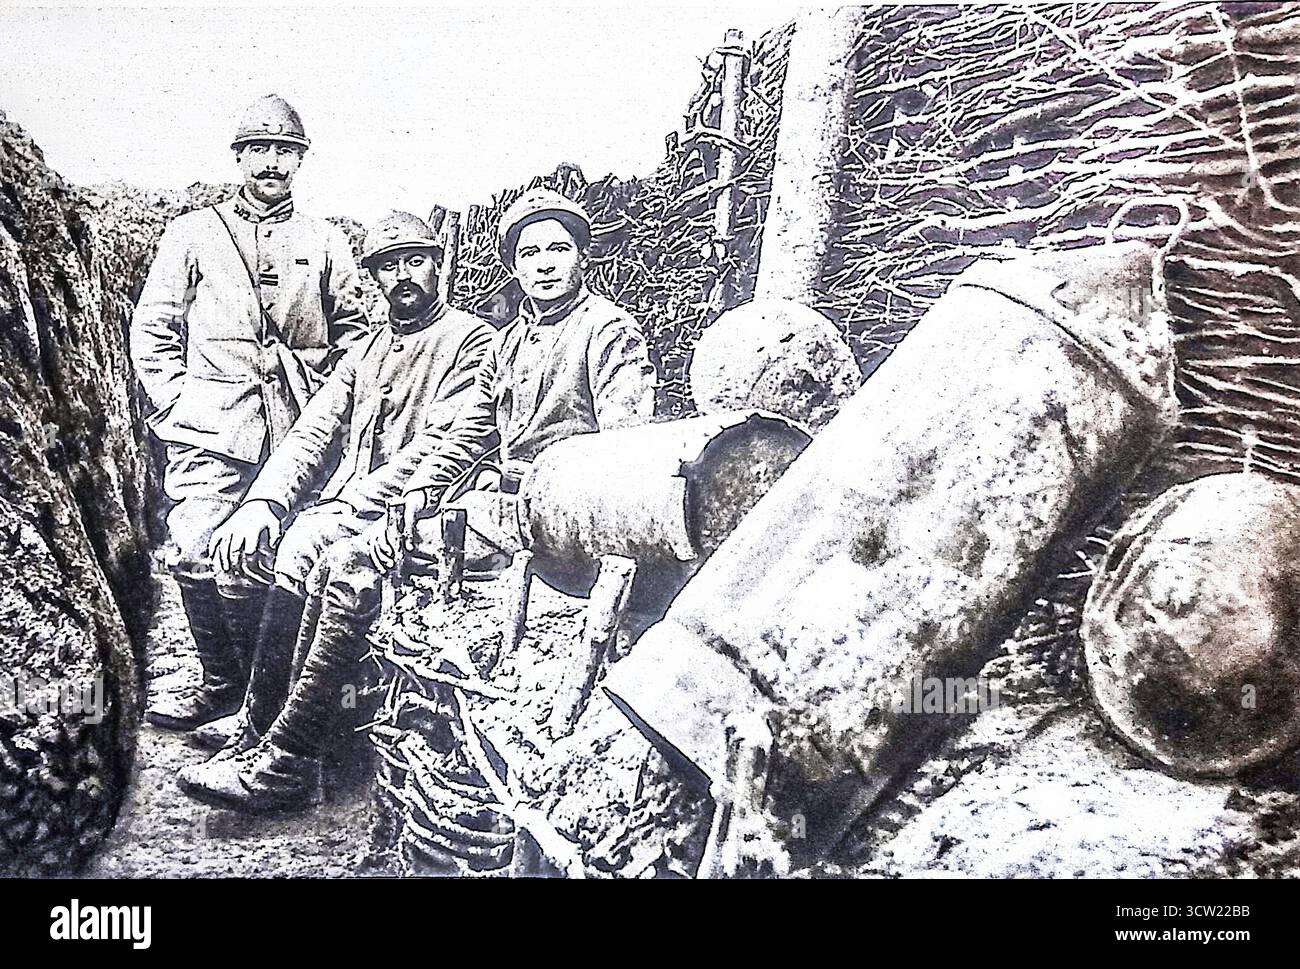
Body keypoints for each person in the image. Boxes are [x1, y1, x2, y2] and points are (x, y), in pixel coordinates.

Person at [177, 189, 656, 813]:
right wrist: (415, 497)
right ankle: (270, 741)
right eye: (529, 252)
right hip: (501, 510)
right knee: (329, 557)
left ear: (580, 255)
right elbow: (465, 433)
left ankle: (286, 759)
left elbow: (624, 448)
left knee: (344, 564)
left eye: (557, 249)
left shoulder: (602, 329)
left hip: (565, 523)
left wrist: (392, 501)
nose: (543, 264)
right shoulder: (510, 340)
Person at [174, 211, 493, 791]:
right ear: (373, 276)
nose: (403, 277)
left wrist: (348, 506)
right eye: (388, 267)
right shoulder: (365, 350)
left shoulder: (469, 341)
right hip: (359, 510)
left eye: (414, 262)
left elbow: (445, 444)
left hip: (423, 509)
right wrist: (266, 501)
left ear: (438, 264)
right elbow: (313, 432)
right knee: (272, 536)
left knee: (307, 540)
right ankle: (255, 723)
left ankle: (284, 751)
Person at [130, 94, 370, 731]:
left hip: (296, 425)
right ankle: (218, 681)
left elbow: (354, 333)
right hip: (211, 421)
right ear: (239, 157)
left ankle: (268, 698)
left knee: (278, 551)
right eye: (258, 150)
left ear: (300, 161)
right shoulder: (191, 234)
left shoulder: (324, 241)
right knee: (191, 547)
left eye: (284, 151)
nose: (271, 163)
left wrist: (333, 407)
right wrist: (178, 400)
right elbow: (154, 328)